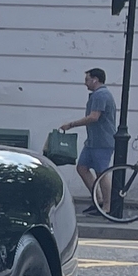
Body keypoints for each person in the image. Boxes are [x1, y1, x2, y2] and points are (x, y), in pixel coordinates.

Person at [58, 66, 120, 215]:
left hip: (102, 141)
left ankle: (106, 207)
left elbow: (94, 117)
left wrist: (71, 124)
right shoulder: (97, 95)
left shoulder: (101, 95)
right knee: (82, 168)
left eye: (87, 80)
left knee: (101, 173)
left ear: (95, 80)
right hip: (93, 141)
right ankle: (97, 200)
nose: (85, 83)